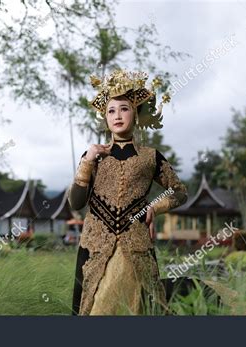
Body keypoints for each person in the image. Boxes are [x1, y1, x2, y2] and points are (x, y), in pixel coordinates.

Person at [68, 70, 188, 315]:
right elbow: (76, 202)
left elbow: (179, 192)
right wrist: (88, 160)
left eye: (124, 109)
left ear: (136, 113)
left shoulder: (150, 157)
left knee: (137, 307)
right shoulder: (93, 155)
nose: (117, 116)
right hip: (95, 245)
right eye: (111, 111)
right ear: (105, 117)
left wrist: (155, 207)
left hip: (136, 244)